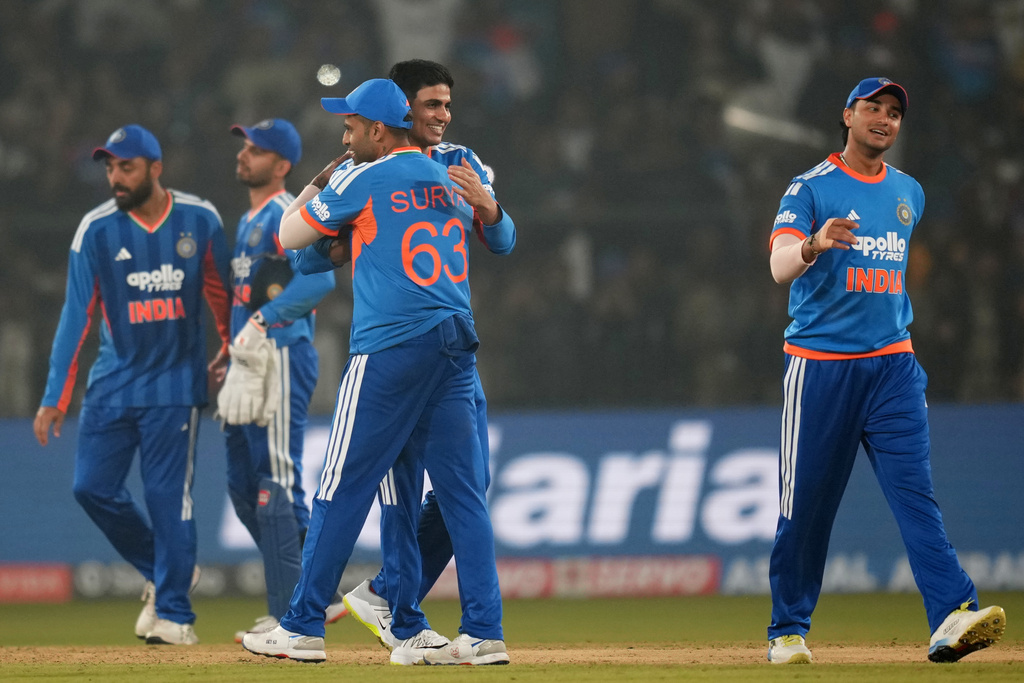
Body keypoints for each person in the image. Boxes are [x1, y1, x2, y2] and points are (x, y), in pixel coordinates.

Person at [241, 78, 513, 666]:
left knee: (341, 487)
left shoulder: (361, 176)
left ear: (378, 130)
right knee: (463, 495)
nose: (345, 138)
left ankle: (302, 627)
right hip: (455, 343)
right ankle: (481, 633)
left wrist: (321, 181)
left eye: (351, 128)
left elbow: (289, 235)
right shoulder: (450, 174)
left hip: (390, 344)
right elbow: (497, 236)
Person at [766, 78, 1006, 665]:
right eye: (872, 107)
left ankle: (952, 613)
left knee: (915, 495)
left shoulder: (908, 192)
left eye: (894, 112)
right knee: (806, 508)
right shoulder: (810, 187)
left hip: (894, 367)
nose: (884, 118)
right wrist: (814, 244)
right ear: (847, 115)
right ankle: (787, 630)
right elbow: (778, 266)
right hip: (821, 368)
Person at [33, 124, 232, 645]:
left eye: (126, 167)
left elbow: (223, 295)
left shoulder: (199, 218)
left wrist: (232, 351)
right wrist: (55, 396)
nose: (115, 177)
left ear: (155, 168)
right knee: (90, 487)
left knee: (168, 500)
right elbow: (75, 317)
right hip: (113, 384)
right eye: (109, 168)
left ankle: (176, 617)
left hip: (174, 387)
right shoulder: (95, 230)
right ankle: (165, 570)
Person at [217, 118, 340, 643]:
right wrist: (229, 347)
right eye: (244, 146)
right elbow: (246, 298)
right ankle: (319, 593)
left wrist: (262, 323)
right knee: (244, 487)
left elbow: (320, 279)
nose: (244, 155)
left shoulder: (283, 213)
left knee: (277, 483)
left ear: (282, 165)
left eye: (257, 150)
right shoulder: (248, 219)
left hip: (282, 355)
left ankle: (291, 613)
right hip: (248, 361)